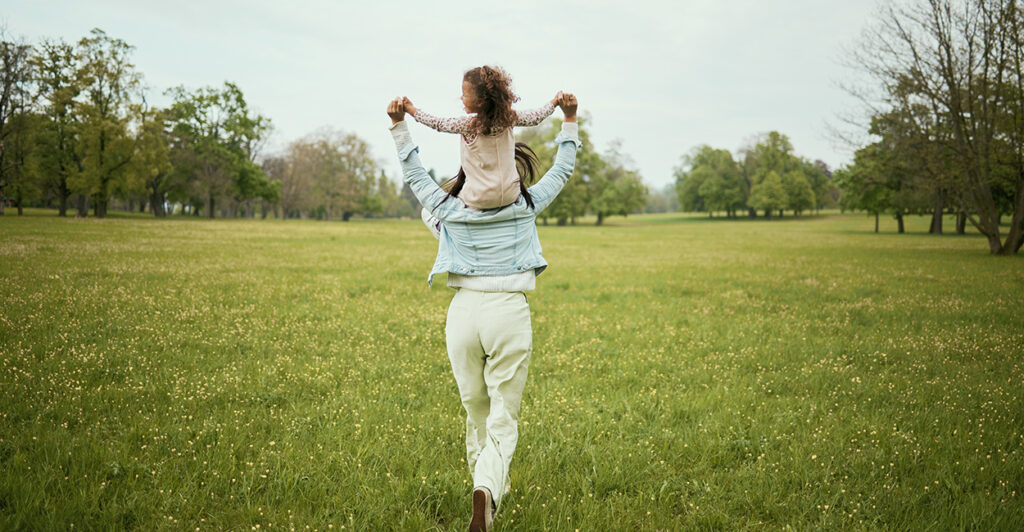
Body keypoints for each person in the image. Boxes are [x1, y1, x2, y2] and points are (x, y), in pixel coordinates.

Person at [386, 93, 580, 532]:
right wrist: (568, 120)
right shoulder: (526, 207)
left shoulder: (446, 211)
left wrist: (400, 126)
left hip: (463, 314)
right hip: (508, 309)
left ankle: (487, 487)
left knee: (476, 408)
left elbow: (414, 174)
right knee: (502, 415)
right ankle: (486, 489)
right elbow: (562, 170)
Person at [402, 65, 562, 210]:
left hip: (478, 199)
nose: (461, 98)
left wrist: (411, 110)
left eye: (464, 94)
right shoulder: (509, 119)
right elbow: (536, 117)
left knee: (439, 210)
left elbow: (437, 123)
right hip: (510, 195)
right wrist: (554, 103)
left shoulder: (468, 125)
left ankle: (441, 228)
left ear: (480, 101)